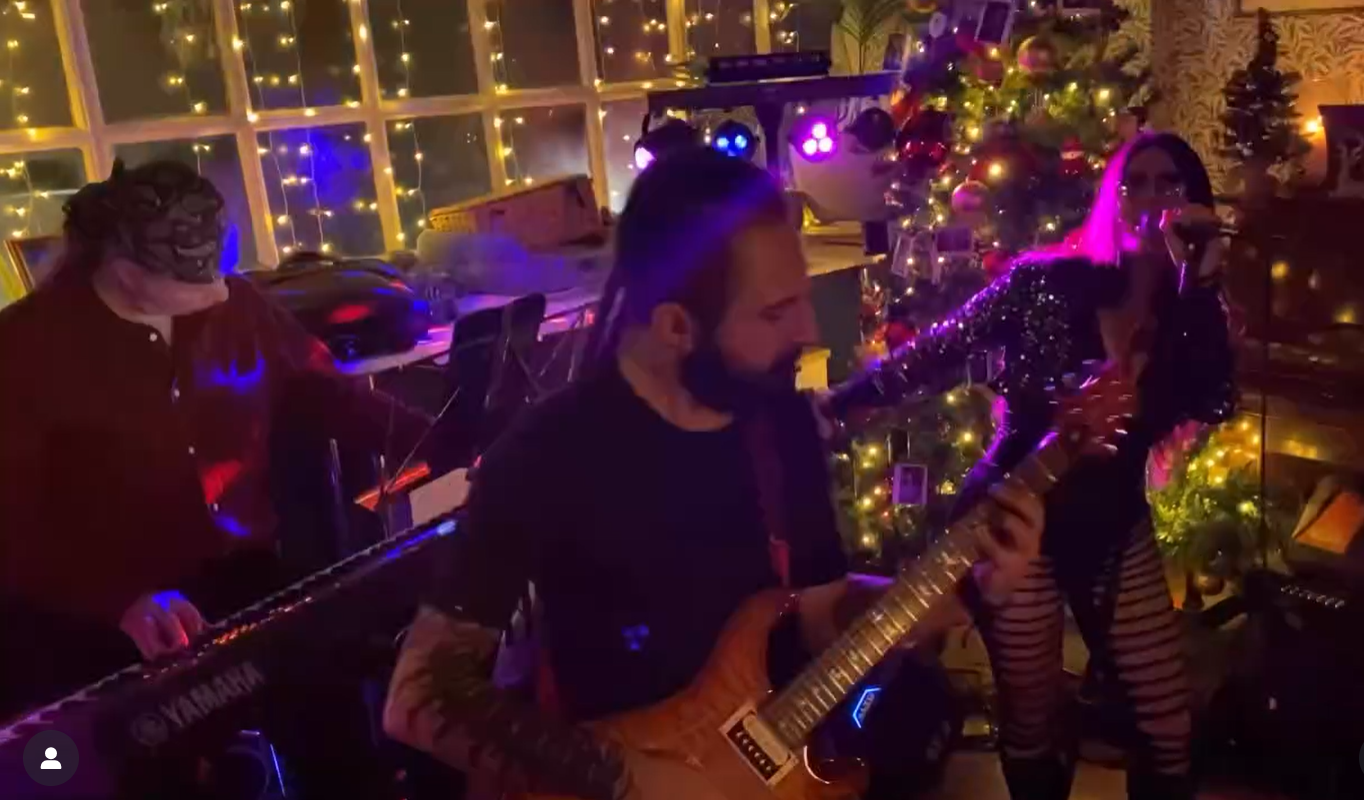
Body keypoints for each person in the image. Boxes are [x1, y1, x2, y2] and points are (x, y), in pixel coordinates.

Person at [382, 146, 1048, 800]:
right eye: (775, 311)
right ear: (677, 327)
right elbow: (419, 698)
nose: (809, 330)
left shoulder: (778, 420)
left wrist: (966, 589)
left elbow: (819, 617)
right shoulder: (549, 451)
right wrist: (630, 781)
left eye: (802, 298)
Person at [0, 160, 429, 797]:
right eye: (198, 281)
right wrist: (116, 600)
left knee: (335, 700)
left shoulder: (239, 304)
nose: (224, 294)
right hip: (102, 612)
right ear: (127, 275)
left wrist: (438, 438)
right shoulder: (24, 347)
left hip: (235, 579)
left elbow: (323, 392)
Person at [836, 131, 1237, 800]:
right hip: (1017, 511)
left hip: (1112, 522)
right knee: (1032, 718)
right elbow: (938, 350)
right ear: (1112, 198)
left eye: (1170, 184)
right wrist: (842, 404)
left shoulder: (1191, 313)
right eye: (1134, 183)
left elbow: (1215, 400)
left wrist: (1200, 285)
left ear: (1193, 202)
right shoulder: (1045, 282)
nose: (1151, 199)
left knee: (1169, 725)